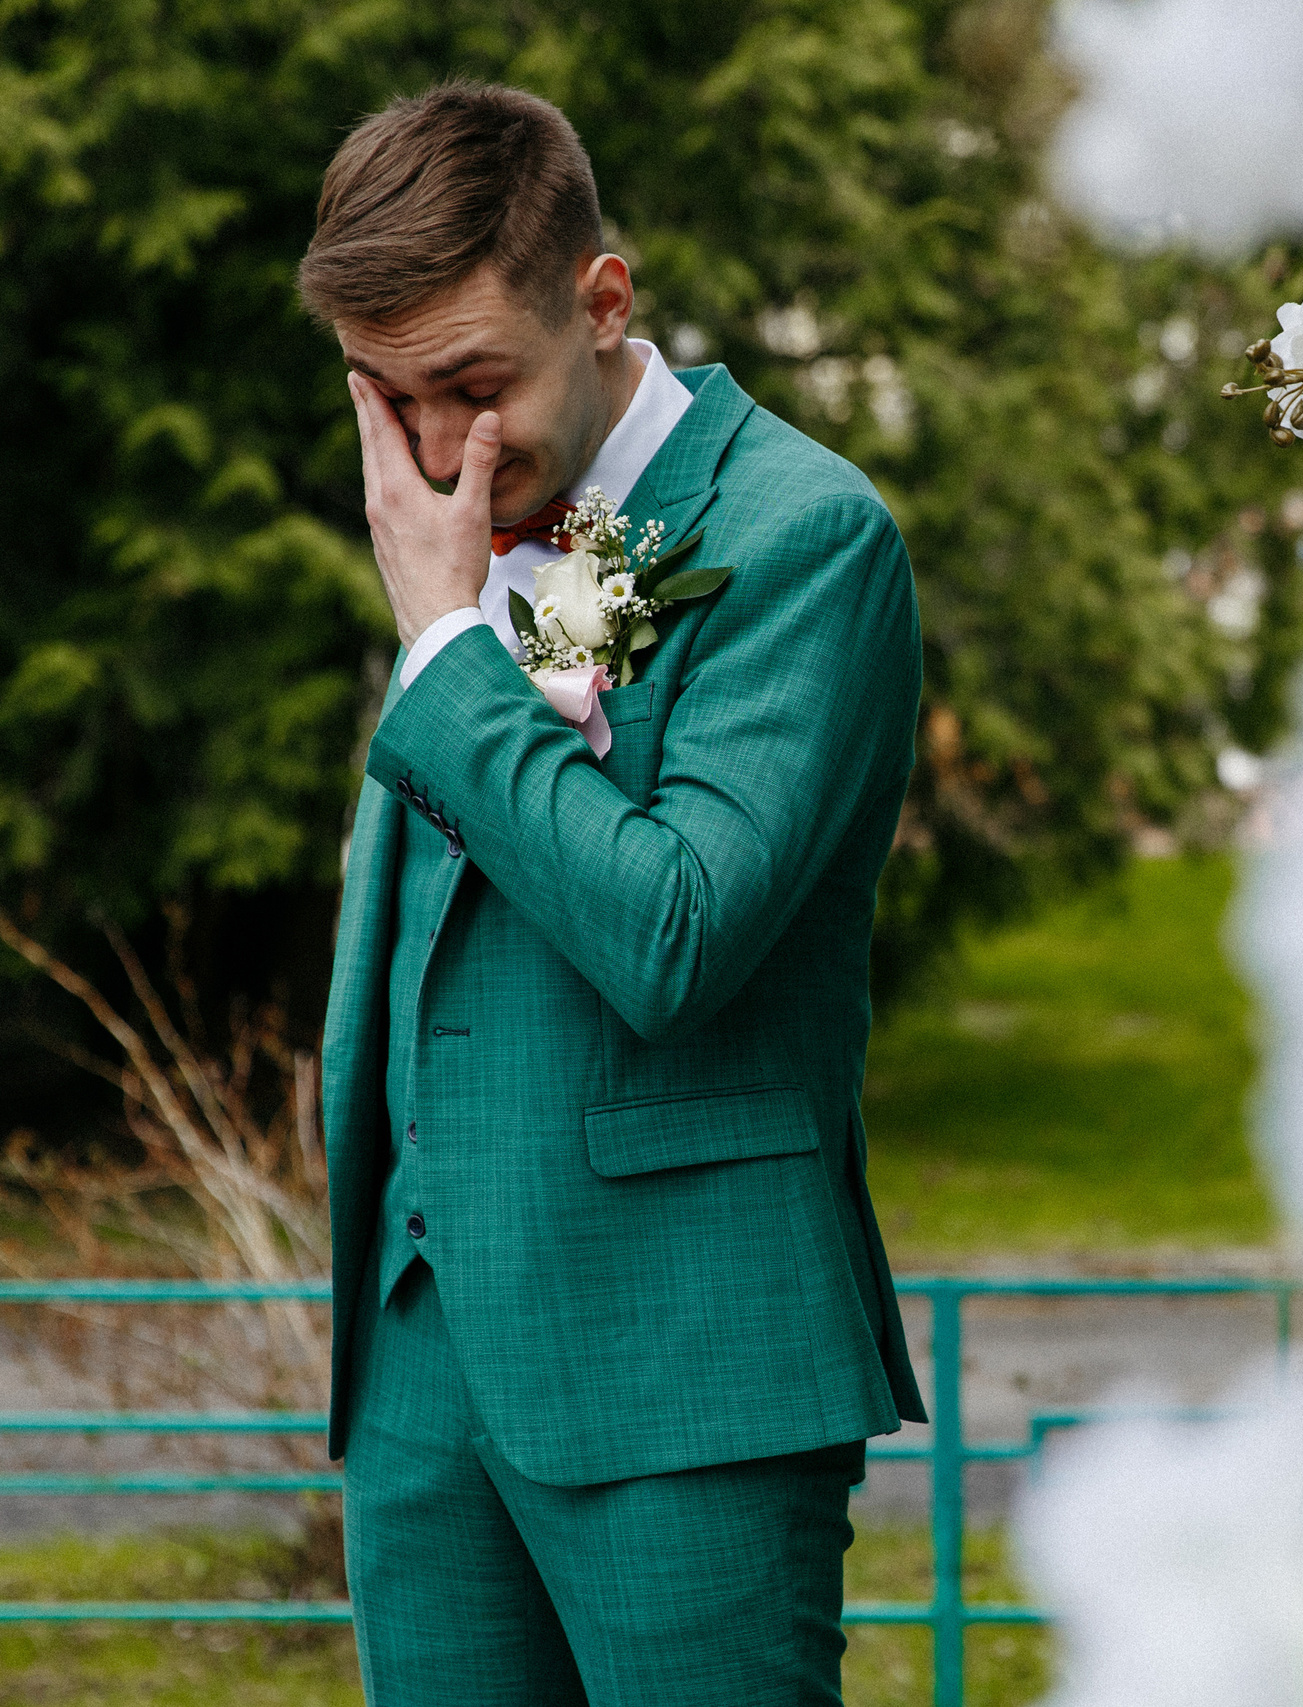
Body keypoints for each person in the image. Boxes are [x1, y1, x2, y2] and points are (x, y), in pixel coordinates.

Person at [300, 80, 926, 1706]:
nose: (441, 452)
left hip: (680, 1364)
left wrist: (445, 651)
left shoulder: (802, 537)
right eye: (390, 397)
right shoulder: (487, 528)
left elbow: (673, 931)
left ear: (603, 299)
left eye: (473, 385)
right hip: (421, 1364)